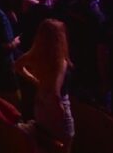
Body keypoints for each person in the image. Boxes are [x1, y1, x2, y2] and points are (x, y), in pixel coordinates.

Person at [14, 19, 75, 151]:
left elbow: (18, 66)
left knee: (46, 143)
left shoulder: (36, 54)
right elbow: (55, 93)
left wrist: (36, 81)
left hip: (40, 104)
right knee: (65, 144)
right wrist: (62, 114)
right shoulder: (61, 62)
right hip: (57, 107)